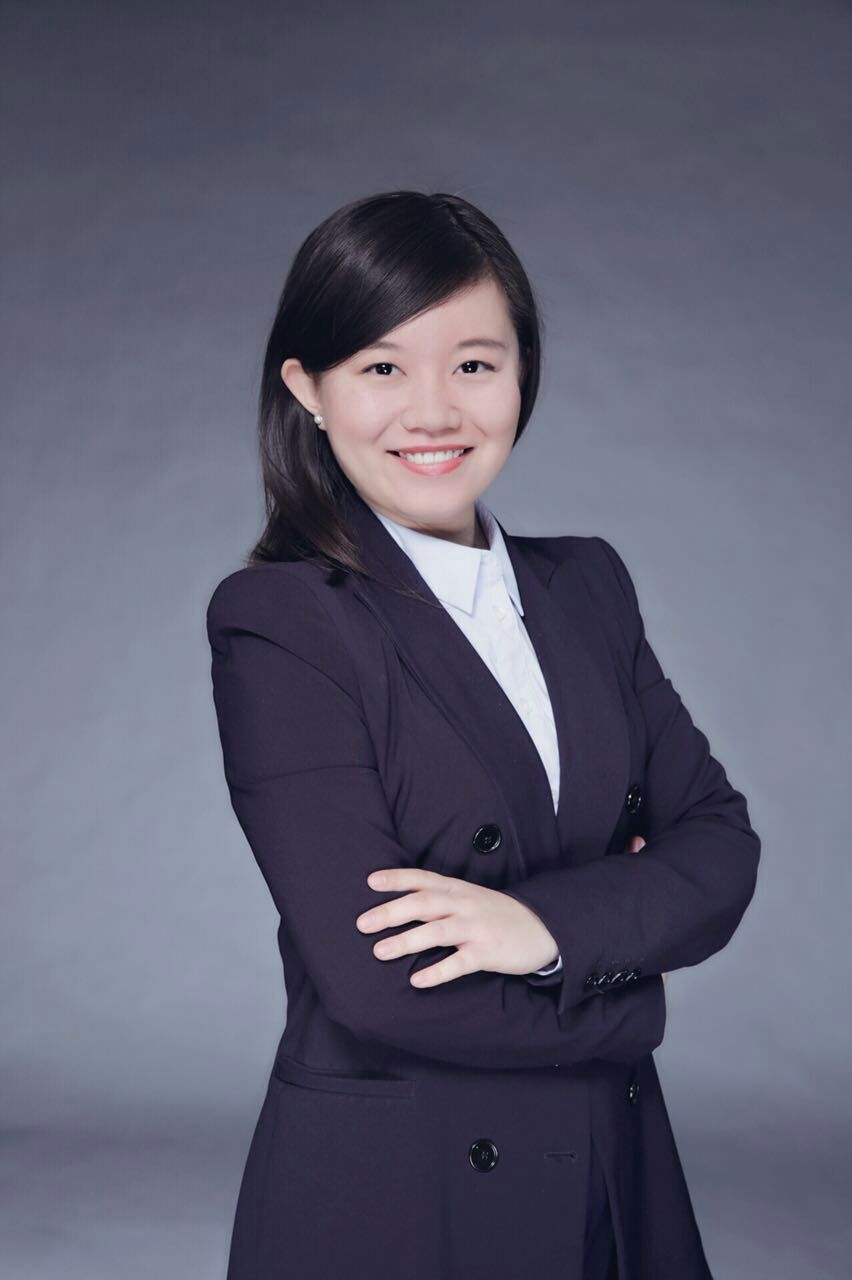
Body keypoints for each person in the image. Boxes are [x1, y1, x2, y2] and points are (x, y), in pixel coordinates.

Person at [205, 190, 760, 1279]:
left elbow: (721, 848)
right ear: (306, 389)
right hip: (403, 1201)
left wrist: (538, 930)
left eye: (472, 363)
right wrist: (628, 985)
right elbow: (375, 982)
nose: (434, 412)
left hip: (613, 1177)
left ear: (522, 374)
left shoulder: (589, 584)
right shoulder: (280, 621)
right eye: (381, 366)